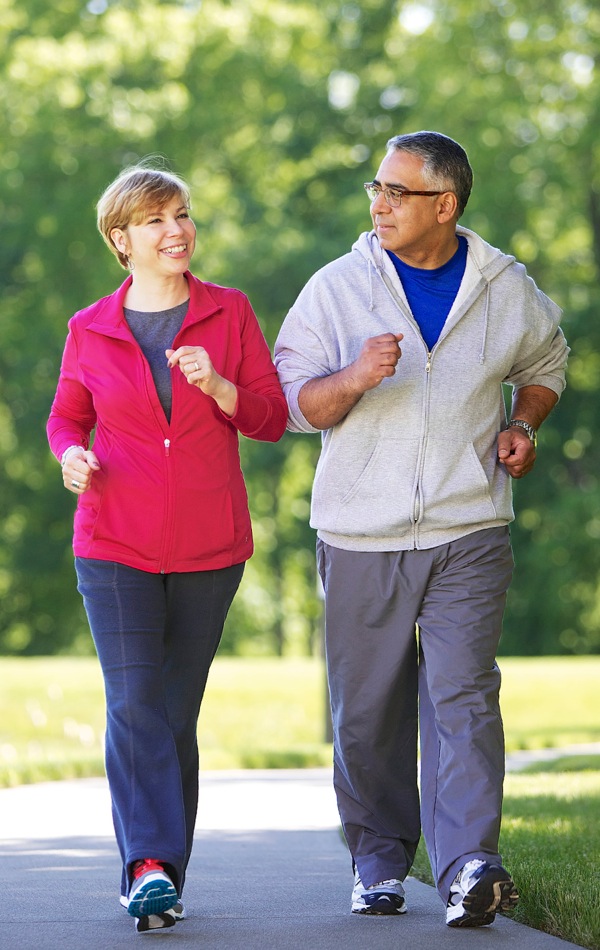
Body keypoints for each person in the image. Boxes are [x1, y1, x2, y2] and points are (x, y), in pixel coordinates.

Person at [274, 131, 568, 928]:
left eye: (398, 191)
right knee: (367, 713)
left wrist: (525, 425)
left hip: (469, 527)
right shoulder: (338, 287)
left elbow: (547, 362)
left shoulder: (503, 286)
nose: (379, 203)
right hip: (359, 533)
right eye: (377, 187)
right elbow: (292, 402)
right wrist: (354, 377)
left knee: (464, 696)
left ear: (446, 205)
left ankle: (469, 864)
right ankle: (378, 861)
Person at [47, 163, 287, 934]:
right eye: (155, 220)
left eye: (181, 214)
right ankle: (147, 865)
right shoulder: (90, 326)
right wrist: (70, 455)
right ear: (121, 239)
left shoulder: (229, 312)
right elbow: (66, 416)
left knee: (173, 715)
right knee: (133, 703)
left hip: (210, 546)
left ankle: (162, 878)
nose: (176, 230)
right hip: (112, 540)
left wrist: (217, 386)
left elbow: (270, 417)